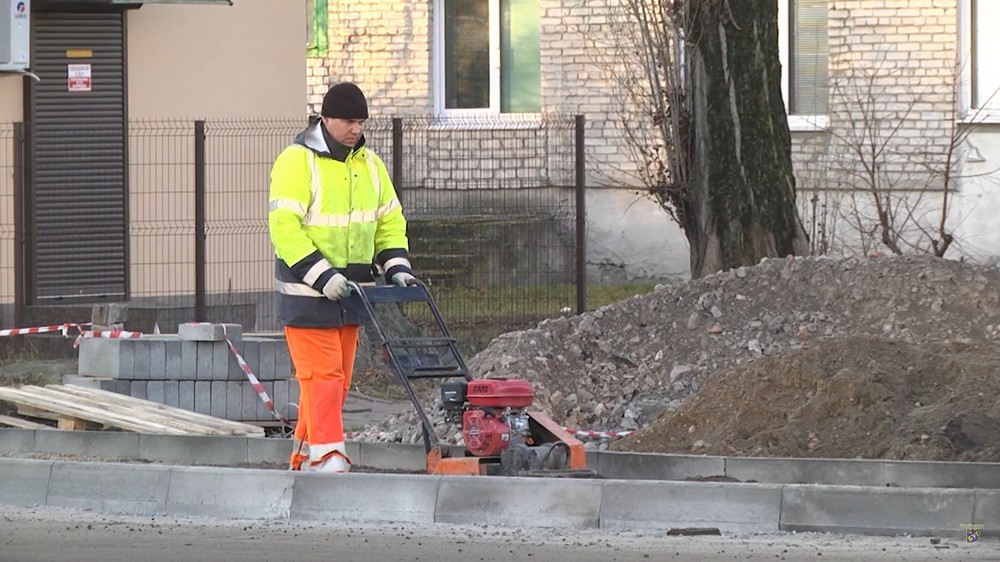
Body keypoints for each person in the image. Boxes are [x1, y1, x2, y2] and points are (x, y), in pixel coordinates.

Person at [268, 82, 415, 473]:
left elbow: (389, 222)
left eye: (361, 122)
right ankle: (330, 456)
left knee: (335, 383)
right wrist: (322, 276)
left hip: (352, 296)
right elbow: (285, 229)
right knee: (324, 379)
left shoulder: (370, 165)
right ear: (326, 118)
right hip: (307, 294)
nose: (356, 129)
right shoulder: (296, 161)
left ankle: (303, 456)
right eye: (349, 121)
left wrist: (397, 266)